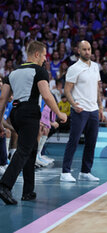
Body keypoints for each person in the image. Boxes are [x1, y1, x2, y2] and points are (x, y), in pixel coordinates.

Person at [0, 41, 67, 205]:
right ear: (36, 54)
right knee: (24, 150)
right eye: (44, 55)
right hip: (30, 113)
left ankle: (28, 191)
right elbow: (46, 95)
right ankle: (4, 185)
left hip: (16, 113)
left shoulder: (13, 73)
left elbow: (2, 99)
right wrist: (59, 114)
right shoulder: (40, 71)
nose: (45, 59)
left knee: (31, 149)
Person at [60, 40, 103, 183]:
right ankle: (65, 172)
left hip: (93, 110)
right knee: (74, 140)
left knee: (91, 142)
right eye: (84, 49)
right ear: (78, 51)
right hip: (80, 110)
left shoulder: (96, 67)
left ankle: (85, 172)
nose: (87, 52)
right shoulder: (74, 68)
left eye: (89, 49)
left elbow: (98, 88)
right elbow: (66, 90)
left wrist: (100, 107)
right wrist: (73, 104)